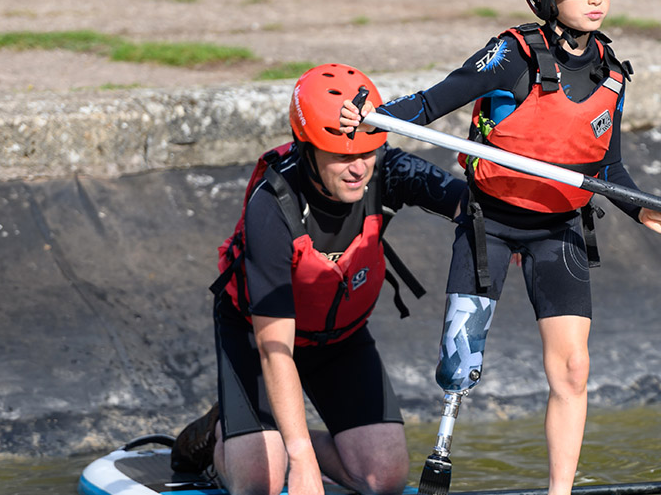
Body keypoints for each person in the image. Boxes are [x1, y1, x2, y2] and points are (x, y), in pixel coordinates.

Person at [340, 0, 661, 495]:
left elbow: (605, 167)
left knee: (573, 368)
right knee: (459, 369)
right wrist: (372, 118)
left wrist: (644, 211)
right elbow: (434, 102)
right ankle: (440, 460)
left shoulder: (611, 71)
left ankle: (559, 491)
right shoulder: (511, 56)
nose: (598, 2)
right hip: (489, 225)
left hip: (559, 230)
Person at [170, 63, 466, 495]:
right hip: (262, 344)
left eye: (366, 151)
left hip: (339, 341)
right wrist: (301, 461)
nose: (358, 168)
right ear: (307, 149)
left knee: (383, 480)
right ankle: (218, 437)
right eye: (342, 155)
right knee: (261, 482)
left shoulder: (387, 169)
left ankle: (275, 441)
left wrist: (507, 227)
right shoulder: (270, 205)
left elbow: (470, 205)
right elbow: (276, 351)